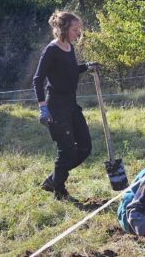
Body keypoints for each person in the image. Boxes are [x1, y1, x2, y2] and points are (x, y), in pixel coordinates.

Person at [33, 11, 97, 200]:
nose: (78, 33)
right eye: (75, 29)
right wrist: (43, 107)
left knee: (85, 147)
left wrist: (87, 66)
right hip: (56, 106)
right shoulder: (51, 50)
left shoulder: (69, 47)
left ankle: (54, 179)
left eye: (79, 29)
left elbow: (69, 70)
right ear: (63, 29)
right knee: (67, 150)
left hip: (71, 104)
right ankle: (59, 191)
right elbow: (38, 79)